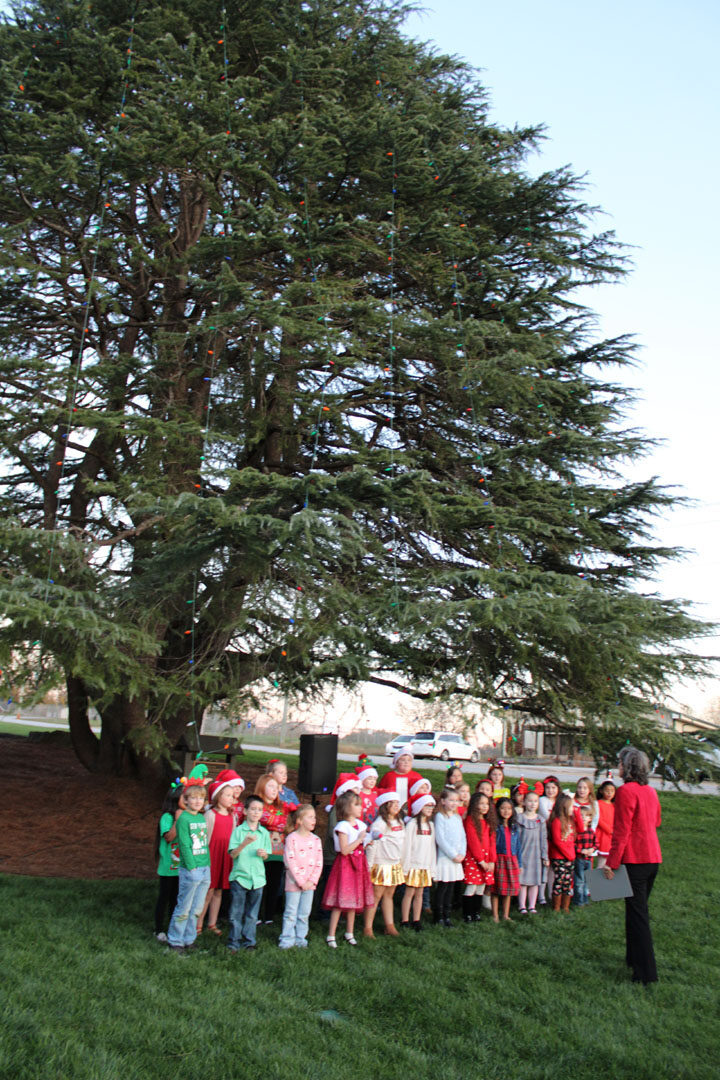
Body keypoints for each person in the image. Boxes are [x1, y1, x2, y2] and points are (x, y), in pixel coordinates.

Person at [603, 746, 662, 985]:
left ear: (626, 768)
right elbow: (656, 820)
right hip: (653, 858)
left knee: (639, 917)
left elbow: (621, 832)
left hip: (635, 860)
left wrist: (611, 863)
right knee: (635, 911)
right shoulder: (650, 790)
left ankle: (646, 974)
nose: (617, 767)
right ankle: (633, 959)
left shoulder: (625, 791)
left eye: (619, 763)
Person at [322, 790, 374, 948]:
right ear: (346, 807)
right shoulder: (342, 826)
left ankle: (349, 932)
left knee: (355, 898)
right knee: (341, 899)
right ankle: (331, 934)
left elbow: (363, 841)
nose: (361, 807)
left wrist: (367, 841)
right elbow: (344, 849)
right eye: (356, 805)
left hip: (359, 863)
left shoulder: (362, 825)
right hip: (346, 864)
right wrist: (359, 840)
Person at [166, 780, 211, 952]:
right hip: (191, 869)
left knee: (197, 908)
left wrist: (207, 865)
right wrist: (192, 867)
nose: (197, 802)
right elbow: (184, 845)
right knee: (184, 906)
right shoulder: (183, 818)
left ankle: (189, 938)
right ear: (186, 800)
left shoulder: (200, 817)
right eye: (193, 798)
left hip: (204, 866)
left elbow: (204, 843)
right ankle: (175, 940)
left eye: (201, 798)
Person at [197, 774, 244, 935]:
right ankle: (198, 923)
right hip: (212, 856)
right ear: (218, 797)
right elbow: (206, 839)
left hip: (224, 856)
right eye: (228, 795)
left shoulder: (232, 816)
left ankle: (212, 923)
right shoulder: (210, 815)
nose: (232, 798)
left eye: (232, 796)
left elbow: (232, 837)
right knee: (208, 891)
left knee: (219, 891)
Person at [227, 793, 270, 952]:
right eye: (252, 809)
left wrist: (263, 854)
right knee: (236, 913)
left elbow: (266, 855)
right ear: (245, 811)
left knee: (252, 914)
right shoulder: (238, 831)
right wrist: (245, 843)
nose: (256, 812)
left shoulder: (264, 833)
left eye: (259, 810)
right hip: (240, 876)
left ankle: (249, 941)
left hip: (257, 879)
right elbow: (233, 854)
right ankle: (234, 942)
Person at [278, 804, 323, 949]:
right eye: (310, 817)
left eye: (314, 817)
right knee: (291, 912)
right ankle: (287, 939)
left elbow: (318, 863)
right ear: (300, 820)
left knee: (304, 913)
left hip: (310, 885)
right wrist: (301, 881)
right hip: (294, 883)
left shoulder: (316, 840)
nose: (313, 820)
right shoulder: (292, 838)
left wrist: (311, 881)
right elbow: (290, 861)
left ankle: (300, 938)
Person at [364, 791, 405, 938]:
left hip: (394, 863)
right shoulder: (379, 824)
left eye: (397, 803)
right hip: (381, 863)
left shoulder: (400, 822)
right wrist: (369, 866)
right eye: (392, 804)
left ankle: (390, 925)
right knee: (376, 896)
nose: (395, 806)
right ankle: (367, 928)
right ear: (384, 806)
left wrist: (401, 861)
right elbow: (372, 844)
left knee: (389, 895)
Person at [400, 794, 436, 931]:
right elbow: (407, 846)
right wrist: (406, 866)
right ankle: (404, 919)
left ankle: (416, 919)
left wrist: (432, 868)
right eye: (427, 805)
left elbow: (432, 847)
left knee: (420, 893)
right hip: (413, 865)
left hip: (425, 865)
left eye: (431, 806)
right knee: (409, 893)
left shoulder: (431, 825)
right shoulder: (412, 825)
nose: (430, 809)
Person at [153, 784, 183, 942]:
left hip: (182, 868)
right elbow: (169, 837)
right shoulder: (167, 817)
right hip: (168, 867)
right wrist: (177, 820)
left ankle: (173, 929)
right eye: (186, 797)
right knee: (164, 898)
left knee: (176, 900)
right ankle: (158, 929)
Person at [433, 787, 466, 926]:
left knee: (451, 887)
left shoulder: (457, 817)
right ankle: (438, 915)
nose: (453, 803)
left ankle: (447, 915)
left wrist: (462, 854)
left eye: (456, 800)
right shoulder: (440, 817)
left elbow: (462, 837)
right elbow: (440, 838)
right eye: (450, 800)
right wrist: (452, 854)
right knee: (443, 887)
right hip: (445, 858)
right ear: (443, 801)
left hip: (457, 858)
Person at [462, 792, 496, 922]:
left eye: (486, 804)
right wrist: (480, 860)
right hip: (474, 858)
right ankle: (467, 914)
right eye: (481, 803)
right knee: (472, 886)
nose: (484, 806)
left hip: (487, 859)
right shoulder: (471, 820)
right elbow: (473, 841)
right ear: (475, 804)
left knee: (481, 886)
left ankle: (476, 913)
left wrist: (492, 860)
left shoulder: (489, 821)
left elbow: (492, 841)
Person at [515, 789, 548, 914]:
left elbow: (543, 839)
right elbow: (516, 839)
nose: (532, 804)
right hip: (523, 854)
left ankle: (532, 905)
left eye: (535, 801)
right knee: (523, 882)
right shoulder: (519, 819)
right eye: (530, 801)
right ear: (524, 802)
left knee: (534, 882)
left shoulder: (540, 820)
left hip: (536, 855)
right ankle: (522, 905)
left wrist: (545, 856)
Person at [491, 797, 521, 922]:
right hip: (499, 859)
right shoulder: (496, 827)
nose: (506, 811)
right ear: (498, 810)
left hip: (512, 859)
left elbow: (518, 846)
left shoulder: (514, 828)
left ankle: (506, 914)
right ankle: (495, 915)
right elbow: (493, 844)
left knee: (509, 889)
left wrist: (519, 863)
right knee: (496, 888)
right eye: (503, 808)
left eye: (509, 809)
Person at [547, 793, 576, 912]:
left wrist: (577, 813)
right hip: (559, 857)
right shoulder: (557, 821)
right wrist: (569, 855)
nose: (573, 809)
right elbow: (558, 841)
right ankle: (556, 907)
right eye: (570, 807)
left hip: (569, 856)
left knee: (568, 881)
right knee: (560, 879)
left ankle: (566, 906)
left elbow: (578, 830)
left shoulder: (570, 821)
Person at [573, 804, 596, 906]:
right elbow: (573, 844)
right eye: (580, 816)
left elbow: (596, 844)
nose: (583, 818)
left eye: (585, 816)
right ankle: (579, 901)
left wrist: (592, 849)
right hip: (579, 859)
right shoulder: (576, 831)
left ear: (590, 818)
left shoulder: (591, 831)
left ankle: (585, 899)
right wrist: (581, 850)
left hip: (589, 859)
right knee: (579, 880)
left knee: (587, 880)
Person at [594, 780, 616, 868]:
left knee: (609, 861)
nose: (610, 793)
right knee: (602, 861)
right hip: (603, 835)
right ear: (601, 791)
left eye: (612, 791)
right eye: (607, 790)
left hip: (611, 836)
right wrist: (610, 830)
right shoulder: (598, 803)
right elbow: (598, 819)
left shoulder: (614, 805)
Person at [355, 757, 379, 825]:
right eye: (369, 778)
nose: (372, 781)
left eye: (374, 779)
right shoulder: (358, 795)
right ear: (362, 779)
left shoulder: (376, 795)